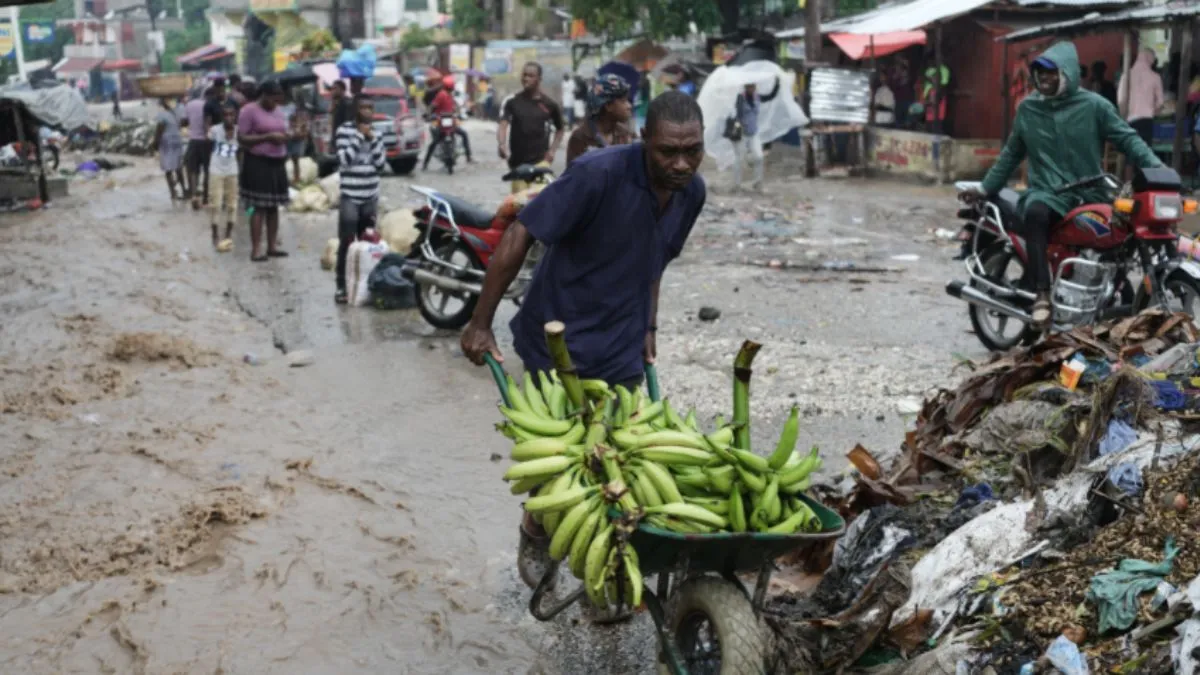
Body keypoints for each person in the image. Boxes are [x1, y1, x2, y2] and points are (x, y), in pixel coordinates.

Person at [460, 91, 707, 594]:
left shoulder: (692, 193)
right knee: (562, 459)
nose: (680, 164)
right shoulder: (598, 174)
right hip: (559, 339)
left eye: (692, 151)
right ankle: (535, 526)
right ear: (644, 142)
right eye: (667, 152)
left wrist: (649, 328)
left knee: (621, 458)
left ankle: (606, 562)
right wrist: (480, 322)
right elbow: (519, 235)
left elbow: (654, 261)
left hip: (621, 343)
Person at [966, 42, 1161, 331]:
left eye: (1050, 74)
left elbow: (1128, 139)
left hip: (1090, 192)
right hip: (1048, 192)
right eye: (1039, 75)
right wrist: (984, 188)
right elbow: (1010, 155)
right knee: (1036, 214)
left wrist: (1158, 171)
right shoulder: (1028, 109)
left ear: (1067, 74)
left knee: (1120, 233)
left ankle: (1112, 295)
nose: (1043, 80)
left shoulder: (1095, 106)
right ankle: (1042, 295)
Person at [334, 95, 386, 305]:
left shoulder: (378, 133)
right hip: (350, 196)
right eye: (363, 107)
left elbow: (381, 165)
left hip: (370, 195)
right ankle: (341, 286)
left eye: (370, 108)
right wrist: (358, 137)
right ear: (356, 110)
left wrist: (372, 140)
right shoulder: (344, 131)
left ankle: (365, 286)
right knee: (347, 242)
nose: (367, 112)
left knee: (368, 243)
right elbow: (344, 161)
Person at [237, 80, 292, 262]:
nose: (276, 102)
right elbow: (242, 138)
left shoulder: (278, 111)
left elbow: (283, 132)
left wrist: (289, 136)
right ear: (264, 95)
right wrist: (267, 137)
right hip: (257, 163)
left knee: (273, 207)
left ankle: (272, 246)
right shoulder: (248, 111)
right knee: (257, 207)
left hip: (277, 162)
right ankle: (255, 249)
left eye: (278, 99)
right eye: (273, 98)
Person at [498, 62, 565, 192]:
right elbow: (503, 124)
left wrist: (552, 150)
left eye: (530, 75)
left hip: (540, 163)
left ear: (539, 79)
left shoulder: (549, 105)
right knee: (519, 206)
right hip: (518, 165)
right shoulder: (512, 102)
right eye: (524, 75)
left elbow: (560, 129)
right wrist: (501, 144)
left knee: (539, 202)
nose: (525, 78)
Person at [565, 74, 634, 166]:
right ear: (608, 106)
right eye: (623, 101)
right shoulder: (581, 137)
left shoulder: (626, 134)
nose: (629, 106)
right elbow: (573, 175)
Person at [730, 80, 779, 192]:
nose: (751, 89)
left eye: (753, 87)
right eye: (749, 87)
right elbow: (736, 114)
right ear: (746, 87)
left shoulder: (757, 97)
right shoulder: (740, 98)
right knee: (739, 158)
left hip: (753, 133)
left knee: (759, 157)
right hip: (742, 133)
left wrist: (777, 83)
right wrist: (737, 125)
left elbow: (770, 96)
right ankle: (737, 184)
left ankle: (757, 183)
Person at [184, 79, 225, 210]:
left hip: (193, 141)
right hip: (208, 142)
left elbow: (184, 122)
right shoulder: (211, 105)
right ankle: (206, 198)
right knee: (208, 170)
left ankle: (194, 195)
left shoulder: (189, 105)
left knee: (193, 170)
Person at [423, 74, 473, 170]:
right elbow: (433, 106)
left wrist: (460, 113)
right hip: (442, 122)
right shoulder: (442, 94)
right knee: (436, 141)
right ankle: (468, 157)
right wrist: (428, 114)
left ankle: (468, 156)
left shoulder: (449, 95)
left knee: (436, 142)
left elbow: (455, 107)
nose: (451, 90)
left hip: (450, 122)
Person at [208, 104, 240, 249]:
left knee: (232, 204)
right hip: (216, 170)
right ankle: (215, 233)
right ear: (222, 117)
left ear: (235, 116)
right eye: (226, 115)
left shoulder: (239, 131)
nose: (228, 118)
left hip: (232, 171)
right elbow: (207, 140)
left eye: (231, 115)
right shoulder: (215, 130)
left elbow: (242, 151)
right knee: (215, 203)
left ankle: (228, 234)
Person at [1118, 48, 1164, 146]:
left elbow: (1121, 100)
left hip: (1129, 120)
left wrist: (1124, 117)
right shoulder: (1155, 77)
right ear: (1150, 59)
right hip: (1146, 120)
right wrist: (1153, 112)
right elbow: (1160, 103)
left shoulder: (1125, 75)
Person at [152, 97, 185, 203]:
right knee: (178, 167)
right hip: (177, 141)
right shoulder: (177, 112)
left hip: (167, 143)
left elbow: (159, 130)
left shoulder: (162, 115)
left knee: (168, 169)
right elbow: (181, 124)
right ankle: (184, 190)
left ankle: (173, 192)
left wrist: (155, 144)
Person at [282, 89, 311, 185]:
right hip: (289, 136)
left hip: (296, 137)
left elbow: (304, 125)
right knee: (288, 160)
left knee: (295, 160)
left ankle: (296, 179)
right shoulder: (291, 109)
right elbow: (292, 121)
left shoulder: (299, 109)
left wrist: (300, 130)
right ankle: (289, 179)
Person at [329, 80, 355, 152]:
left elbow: (347, 123)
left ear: (342, 90)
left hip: (344, 140)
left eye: (335, 88)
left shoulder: (347, 104)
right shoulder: (336, 104)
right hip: (336, 140)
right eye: (332, 89)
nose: (333, 91)